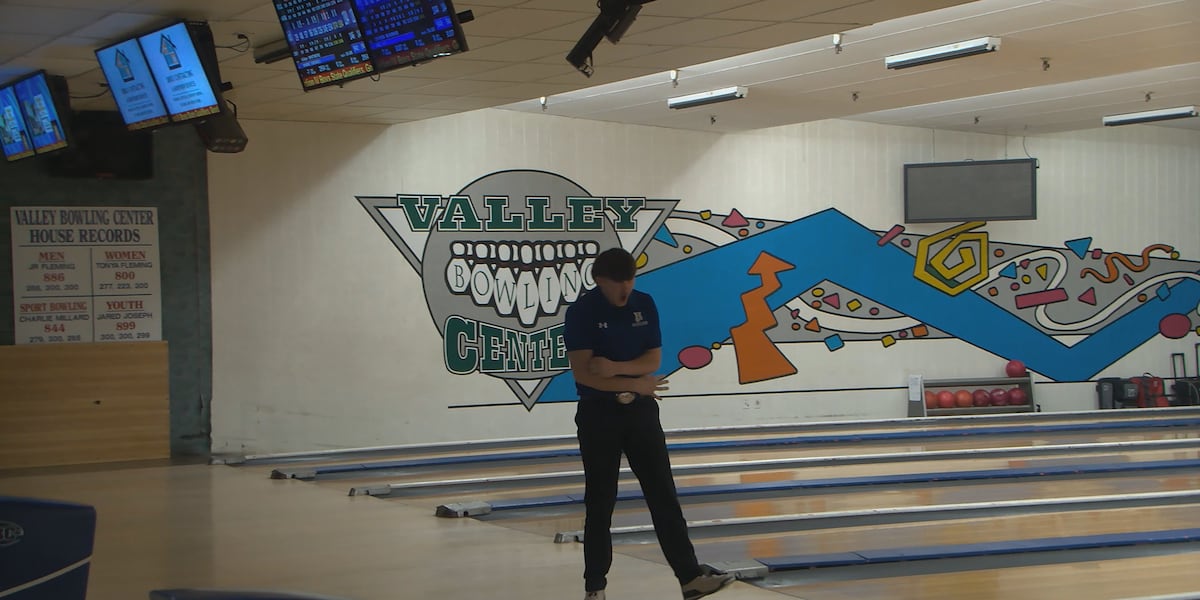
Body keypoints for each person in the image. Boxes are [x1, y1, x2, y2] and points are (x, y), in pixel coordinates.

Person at [563, 247, 735, 600]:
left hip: (640, 412)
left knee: (663, 496)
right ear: (599, 281)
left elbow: (653, 359)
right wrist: (634, 381)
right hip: (599, 415)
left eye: (630, 280)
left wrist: (616, 370)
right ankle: (595, 587)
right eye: (618, 283)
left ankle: (690, 579)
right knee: (600, 503)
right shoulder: (581, 312)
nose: (625, 289)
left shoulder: (645, 303)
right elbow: (585, 374)